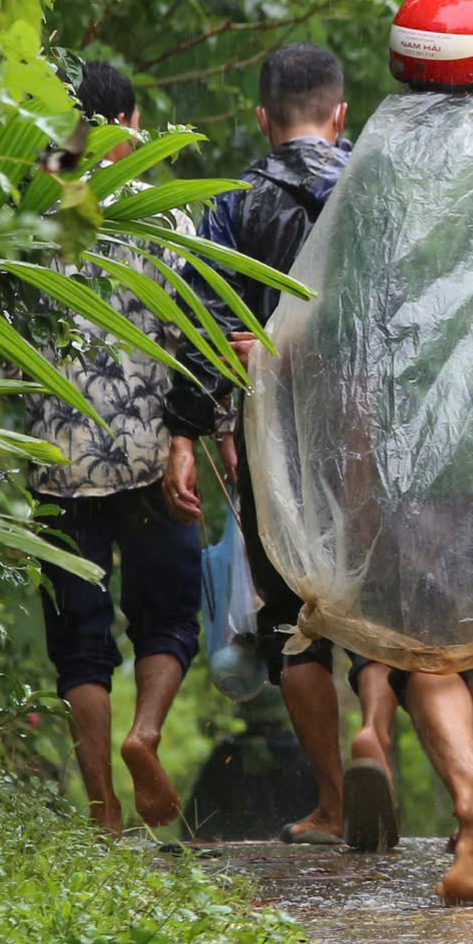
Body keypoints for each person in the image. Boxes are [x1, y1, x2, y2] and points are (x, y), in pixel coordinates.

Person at [238, 0, 473, 901]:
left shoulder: (377, 166)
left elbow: (339, 318)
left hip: (408, 454)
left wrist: (356, 458)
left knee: (422, 642)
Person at [160, 43, 361, 847]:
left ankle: (335, 802)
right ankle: (380, 738)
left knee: (292, 620)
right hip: (372, 435)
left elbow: (204, 325)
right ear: (341, 114)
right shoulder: (376, 195)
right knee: (377, 600)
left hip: (275, 442)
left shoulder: (234, 206)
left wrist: (187, 430)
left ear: (261, 116)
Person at [28, 62, 203, 833]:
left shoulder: (24, 218)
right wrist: (187, 439)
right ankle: (146, 734)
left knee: (80, 643)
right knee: (168, 619)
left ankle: (102, 805)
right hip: (148, 451)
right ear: (131, 121)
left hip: (54, 459)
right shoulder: (166, 217)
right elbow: (192, 341)